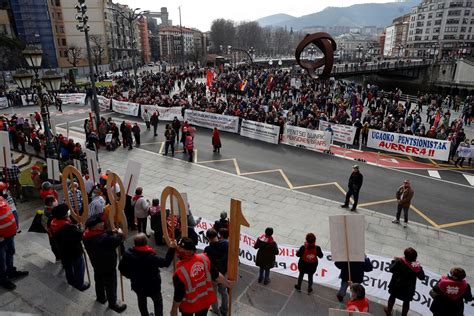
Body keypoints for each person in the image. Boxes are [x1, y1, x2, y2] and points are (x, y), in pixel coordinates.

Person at [171, 237, 233, 316]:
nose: (178, 250)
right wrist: (227, 283)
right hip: (205, 300)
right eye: (178, 247)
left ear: (189, 252)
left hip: (189, 305)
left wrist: (173, 310)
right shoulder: (204, 258)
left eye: (180, 248)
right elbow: (216, 275)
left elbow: (178, 295)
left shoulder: (180, 273)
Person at [119, 233, 176, 316]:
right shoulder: (151, 257)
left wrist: (131, 276)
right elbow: (165, 262)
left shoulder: (128, 254)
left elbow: (121, 269)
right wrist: (171, 248)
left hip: (137, 285)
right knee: (158, 302)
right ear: (146, 242)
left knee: (142, 302)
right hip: (153, 286)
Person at [83, 214, 127, 313]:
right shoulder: (103, 239)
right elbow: (116, 240)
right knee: (111, 285)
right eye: (101, 222)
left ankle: (101, 298)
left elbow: (100, 234)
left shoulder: (86, 234)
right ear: (96, 225)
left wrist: (111, 232)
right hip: (107, 265)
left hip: (96, 263)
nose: (103, 223)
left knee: (99, 281)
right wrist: (120, 234)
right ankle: (113, 304)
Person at [48, 204, 90, 291]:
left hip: (62, 250)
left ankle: (71, 280)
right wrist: (81, 229)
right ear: (64, 215)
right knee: (79, 268)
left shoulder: (53, 222)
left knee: (68, 267)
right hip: (74, 251)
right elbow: (80, 236)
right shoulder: (68, 228)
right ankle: (79, 284)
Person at [384, 247, 425, 316]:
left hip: (396, 285)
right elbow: (422, 277)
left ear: (405, 256)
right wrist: (419, 267)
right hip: (408, 289)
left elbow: (391, 269)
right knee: (406, 302)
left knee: (392, 297)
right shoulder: (416, 266)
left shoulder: (399, 261)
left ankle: (389, 311)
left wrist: (394, 261)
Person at [0, 197, 28, 290]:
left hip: (9, 234)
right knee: (1, 260)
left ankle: (11, 271)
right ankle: (3, 279)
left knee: (10, 251)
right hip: (1, 238)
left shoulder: (2, 198)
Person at [204, 228, 229, 316]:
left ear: (208, 238)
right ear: (217, 235)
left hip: (213, 276)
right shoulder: (226, 244)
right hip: (224, 274)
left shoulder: (207, 249)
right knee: (224, 292)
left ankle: (215, 310)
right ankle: (224, 310)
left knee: (213, 293)